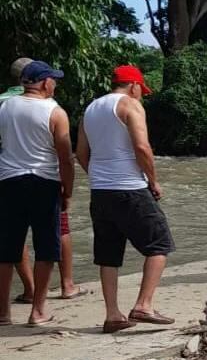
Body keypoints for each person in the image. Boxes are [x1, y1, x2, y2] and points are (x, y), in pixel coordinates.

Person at [77, 65, 175, 333]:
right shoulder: (130, 105)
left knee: (108, 254)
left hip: (100, 191)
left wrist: (98, 177)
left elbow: (81, 153)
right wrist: (153, 181)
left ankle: (113, 315)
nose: (142, 95)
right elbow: (142, 147)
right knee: (160, 244)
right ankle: (144, 305)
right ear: (133, 85)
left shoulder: (90, 109)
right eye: (141, 90)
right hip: (130, 187)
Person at [3, 58, 84, 304]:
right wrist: (67, 191)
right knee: (47, 248)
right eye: (54, 80)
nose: (55, 85)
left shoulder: (4, 106)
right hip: (44, 182)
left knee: (6, 250)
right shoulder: (55, 112)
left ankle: (3, 313)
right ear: (45, 83)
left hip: (8, 181)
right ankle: (38, 310)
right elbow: (65, 158)